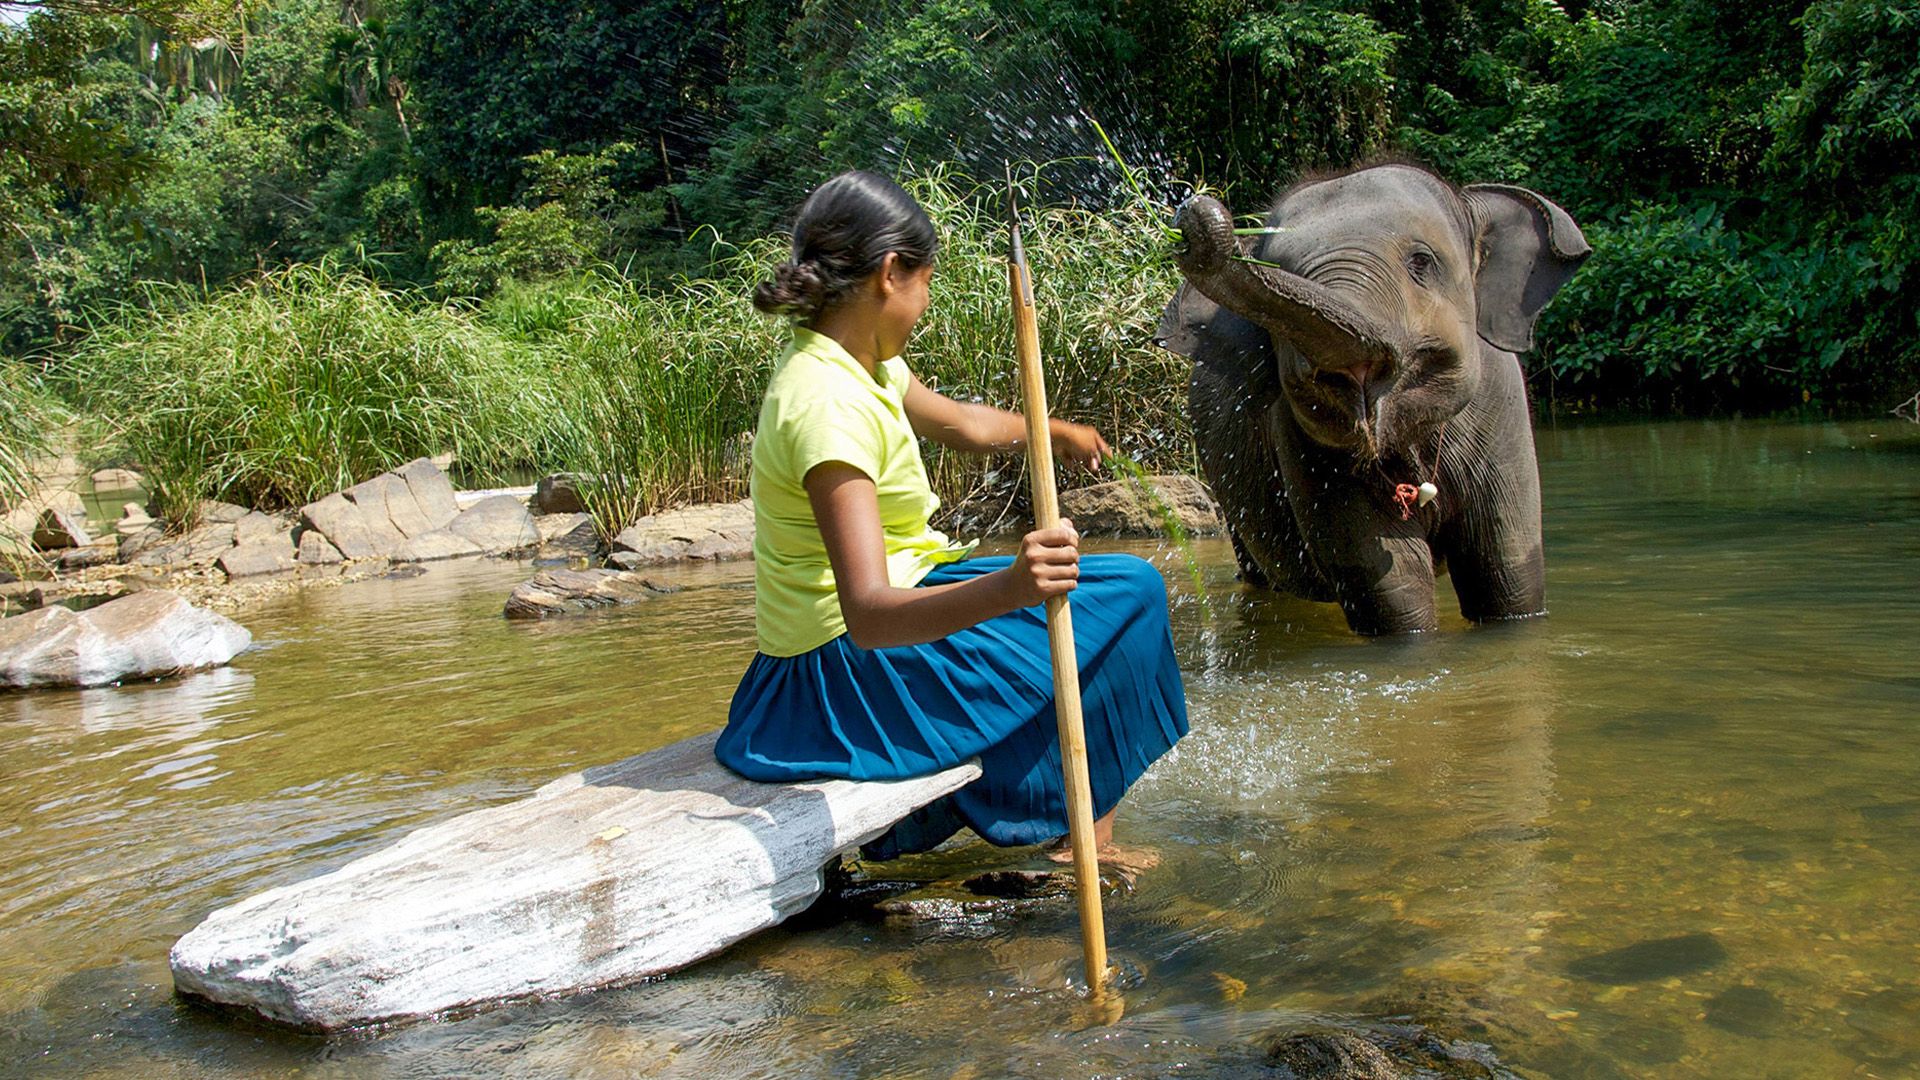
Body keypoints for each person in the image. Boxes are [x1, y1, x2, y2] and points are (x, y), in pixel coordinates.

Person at [715, 169, 1187, 869]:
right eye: (926, 283)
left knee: (1109, 594)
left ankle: (1071, 828)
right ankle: (1078, 839)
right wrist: (1012, 590)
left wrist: (1054, 430)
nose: (927, 304)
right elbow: (871, 614)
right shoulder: (825, 404)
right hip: (844, 669)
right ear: (889, 273)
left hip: (895, 609)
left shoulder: (859, 362)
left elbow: (963, 423)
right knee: (1130, 596)